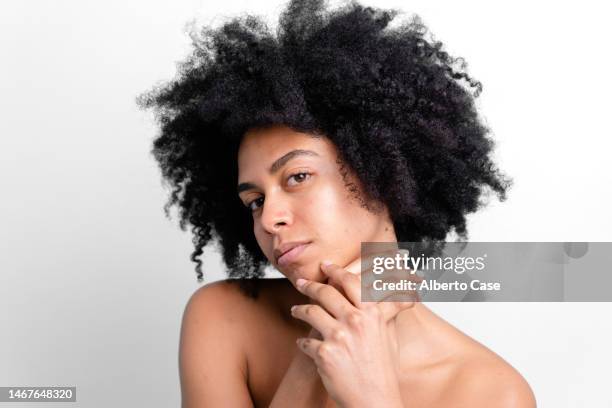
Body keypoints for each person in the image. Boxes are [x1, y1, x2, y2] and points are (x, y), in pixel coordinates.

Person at [138, 0, 536, 406]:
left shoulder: (492, 392)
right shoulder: (223, 319)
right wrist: (319, 349)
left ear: (380, 172)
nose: (270, 219)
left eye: (297, 177)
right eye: (255, 200)